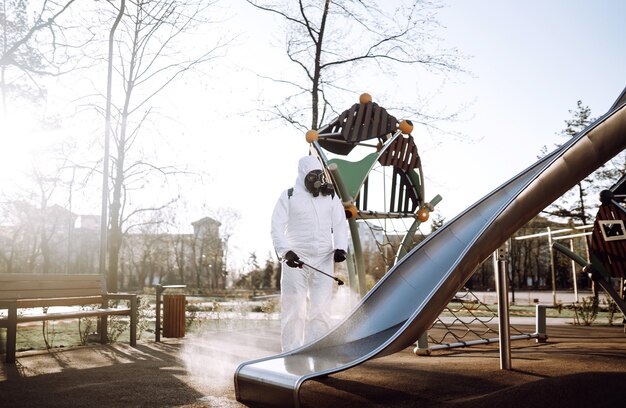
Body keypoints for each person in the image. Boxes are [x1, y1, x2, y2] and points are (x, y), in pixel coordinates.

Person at [271, 154, 349, 352]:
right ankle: (291, 353)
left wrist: (340, 247)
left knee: (321, 309)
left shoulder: (330, 196)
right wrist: (285, 251)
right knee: (294, 309)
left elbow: (340, 222)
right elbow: (276, 226)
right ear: (302, 175)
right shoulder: (288, 195)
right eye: (311, 176)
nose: (316, 180)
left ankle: (317, 352)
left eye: (319, 175)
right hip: (295, 260)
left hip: (323, 258)